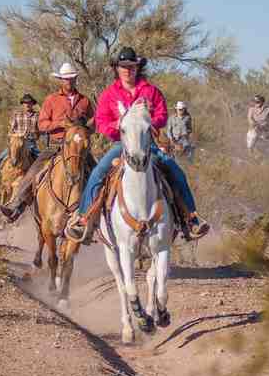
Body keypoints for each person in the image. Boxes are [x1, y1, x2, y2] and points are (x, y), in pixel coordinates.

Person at [65, 47, 209, 243]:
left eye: (131, 66)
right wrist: (115, 126)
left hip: (148, 145)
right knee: (98, 172)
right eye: (123, 66)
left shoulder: (151, 91)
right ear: (117, 68)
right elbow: (101, 121)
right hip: (121, 145)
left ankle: (191, 218)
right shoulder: (109, 94)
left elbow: (162, 115)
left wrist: (149, 122)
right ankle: (82, 219)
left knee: (175, 170)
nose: (127, 70)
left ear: (137, 67)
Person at [0, 63, 96, 222]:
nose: (68, 81)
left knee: (96, 171)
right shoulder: (51, 100)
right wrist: (59, 124)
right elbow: (42, 125)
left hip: (78, 148)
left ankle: (98, 211)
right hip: (56, 145)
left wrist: (84, 130)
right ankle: (16, 205)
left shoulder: (85, 101)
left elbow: (94, 124)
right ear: (60, 80)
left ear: (75, 78)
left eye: (71, 78)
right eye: (65, 79)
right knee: (33, 171)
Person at [0, 93, 42, 173]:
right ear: (22, 104)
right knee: (4, 154)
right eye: (25, 103)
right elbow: (11, 129)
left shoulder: (37, 115)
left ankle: (40, 175)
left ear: (33, 104)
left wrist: (36, 134)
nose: (27, 104)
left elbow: (40, 130)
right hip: (17, 140)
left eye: (29, 103)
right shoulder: (16, 114)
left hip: (30, 142)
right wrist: (14, 136)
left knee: (40, 158)